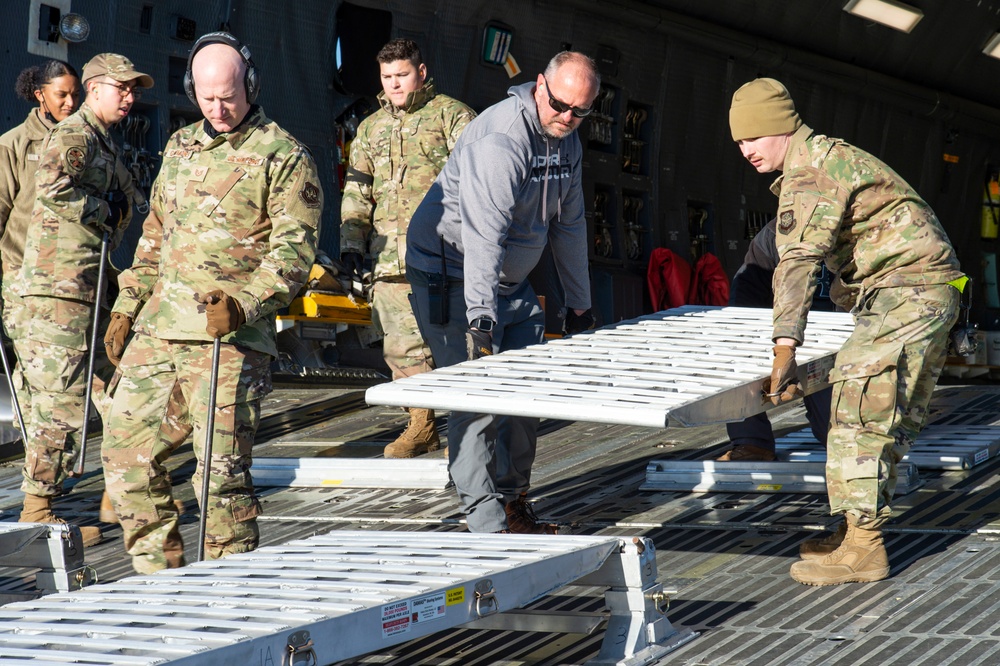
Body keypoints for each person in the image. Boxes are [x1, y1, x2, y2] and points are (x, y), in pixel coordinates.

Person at [101, 32, 322, 574]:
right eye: (206, 98)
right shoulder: (179, 147)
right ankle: (159, 578)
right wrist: (128, 303)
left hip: (228, 339)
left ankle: (229, 589)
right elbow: (156, 234)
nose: (218, 109)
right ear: (190, 92)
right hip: (159, 328)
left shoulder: (285, 156)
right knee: (125, 456)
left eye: (228, 96)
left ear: (251, 85)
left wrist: (245, 304)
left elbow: (294, 253)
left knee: (218, 476)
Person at [729, 77, 964, 585]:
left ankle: (865, 547)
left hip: (908, 288)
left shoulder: (810, 172)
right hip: (920, 289)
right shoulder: (822, 159)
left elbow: (797, 262)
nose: (745, 149)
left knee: (856, 398)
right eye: (738, 142)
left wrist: (783, 350)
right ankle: (856, 530)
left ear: (780, 128)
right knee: (883, 412)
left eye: (753, 137)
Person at [405, 51, 599, 534]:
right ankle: (487, 526)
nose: (567, 117)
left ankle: (514, 503)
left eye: (580, 111)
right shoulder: (501, 141)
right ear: (539, 86)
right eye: (559, 105)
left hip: (510, 281)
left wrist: (580, 304)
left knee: (526, 395)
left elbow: (570, 226)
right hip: (453, 274)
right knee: (477, 397)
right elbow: (484, 237)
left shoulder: (567, 142)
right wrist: (481, 320)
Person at [16, 54, 151, 546]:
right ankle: (37, 510)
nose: (131, 97)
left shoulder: (101, 139)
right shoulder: (75, 135)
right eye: (123, 88)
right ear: (95, 89)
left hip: (89, 285)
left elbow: (129, 199)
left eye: (134, 90)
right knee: (61, 402)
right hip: (60, 288)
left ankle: (119, 497)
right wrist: (104, 207)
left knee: (113, 391)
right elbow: (52, 189)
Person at [340, 38, 475, 458]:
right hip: (389, 257)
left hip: (446, 254)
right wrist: (350, 245)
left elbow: (480, 183)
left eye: (401, 75)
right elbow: (358, 190)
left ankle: (477, 423)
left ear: (421, 71)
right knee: (400, 346)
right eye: (387, 77)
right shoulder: (370, 128)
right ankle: (421, 425)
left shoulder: (453, 116)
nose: (394, 84)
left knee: (458, 343)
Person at [0, 60, 80, 439]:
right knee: (32, 360)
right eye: (61, 95)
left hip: (68, 274)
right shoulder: (14, 144)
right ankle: (35, 445)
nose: (70, 102)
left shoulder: (82, 141)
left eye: (74, 95)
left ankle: (44, 444)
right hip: (21, 273)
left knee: (57, 363)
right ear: (40, 95)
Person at [717, 217, 831, 462]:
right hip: (788, 333)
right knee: (734, 353)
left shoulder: (864, 231)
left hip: (844, 339)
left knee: (835, 435)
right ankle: (752, 443)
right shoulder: (775, 234)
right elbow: (746, 294)